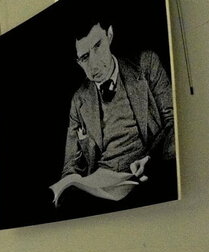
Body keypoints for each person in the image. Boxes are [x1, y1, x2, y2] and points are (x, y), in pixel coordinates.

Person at [55, 4, 176, 209]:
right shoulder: (79, 100)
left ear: (110, 35)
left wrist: (151, 159)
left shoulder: (146, 65)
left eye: (98, 46)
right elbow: (70, 166)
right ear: (78, 62)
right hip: (102, 185)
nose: (94, 65)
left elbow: (175, 124)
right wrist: (69, 184)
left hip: (148, 171)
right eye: (85, 57)